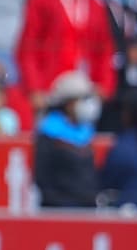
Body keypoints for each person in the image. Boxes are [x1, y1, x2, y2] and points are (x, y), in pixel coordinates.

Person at [33, 71, 101, 209]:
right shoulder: (49, 132)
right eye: (82, 99)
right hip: (59, 209)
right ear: (68, 103)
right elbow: (42, 179)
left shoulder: (85, 131)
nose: (87, 104)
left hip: (87, 208)